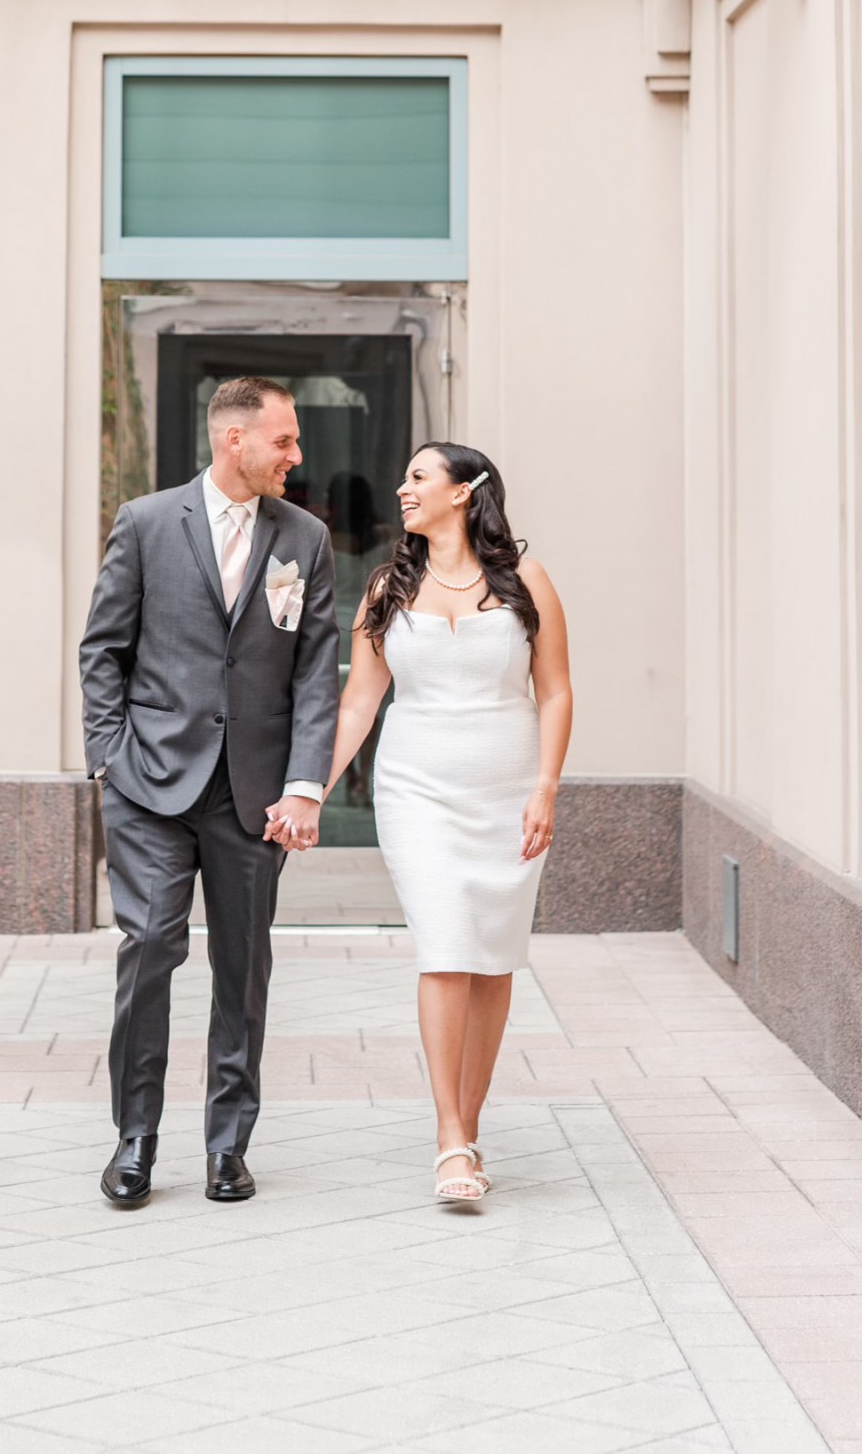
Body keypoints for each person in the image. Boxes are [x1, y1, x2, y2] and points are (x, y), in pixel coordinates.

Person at [271, 441, 571, 1205]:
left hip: (507, 792)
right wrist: (308, 791)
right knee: (444, 947)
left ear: (463, 491)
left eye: (418, 476)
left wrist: (545, 788)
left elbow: (556, 690)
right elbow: (358, 705)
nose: (402, 489)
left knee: (492, 959)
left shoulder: (526, 579)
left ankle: (469, 1123)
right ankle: (449, 1137)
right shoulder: (388, 586)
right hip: (416, 792)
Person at [80, 375, 339, 1208]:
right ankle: (135, 1137)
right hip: (149, 784)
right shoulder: (147, 522)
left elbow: (316, 673)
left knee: (244, 965)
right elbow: (103, 650)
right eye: (284, 440)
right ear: (236, 438)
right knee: (150, 947)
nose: (295, 454)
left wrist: (303, 785)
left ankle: (229, 1144)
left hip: (254, 795)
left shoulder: (305, 537)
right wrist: (109, 756)